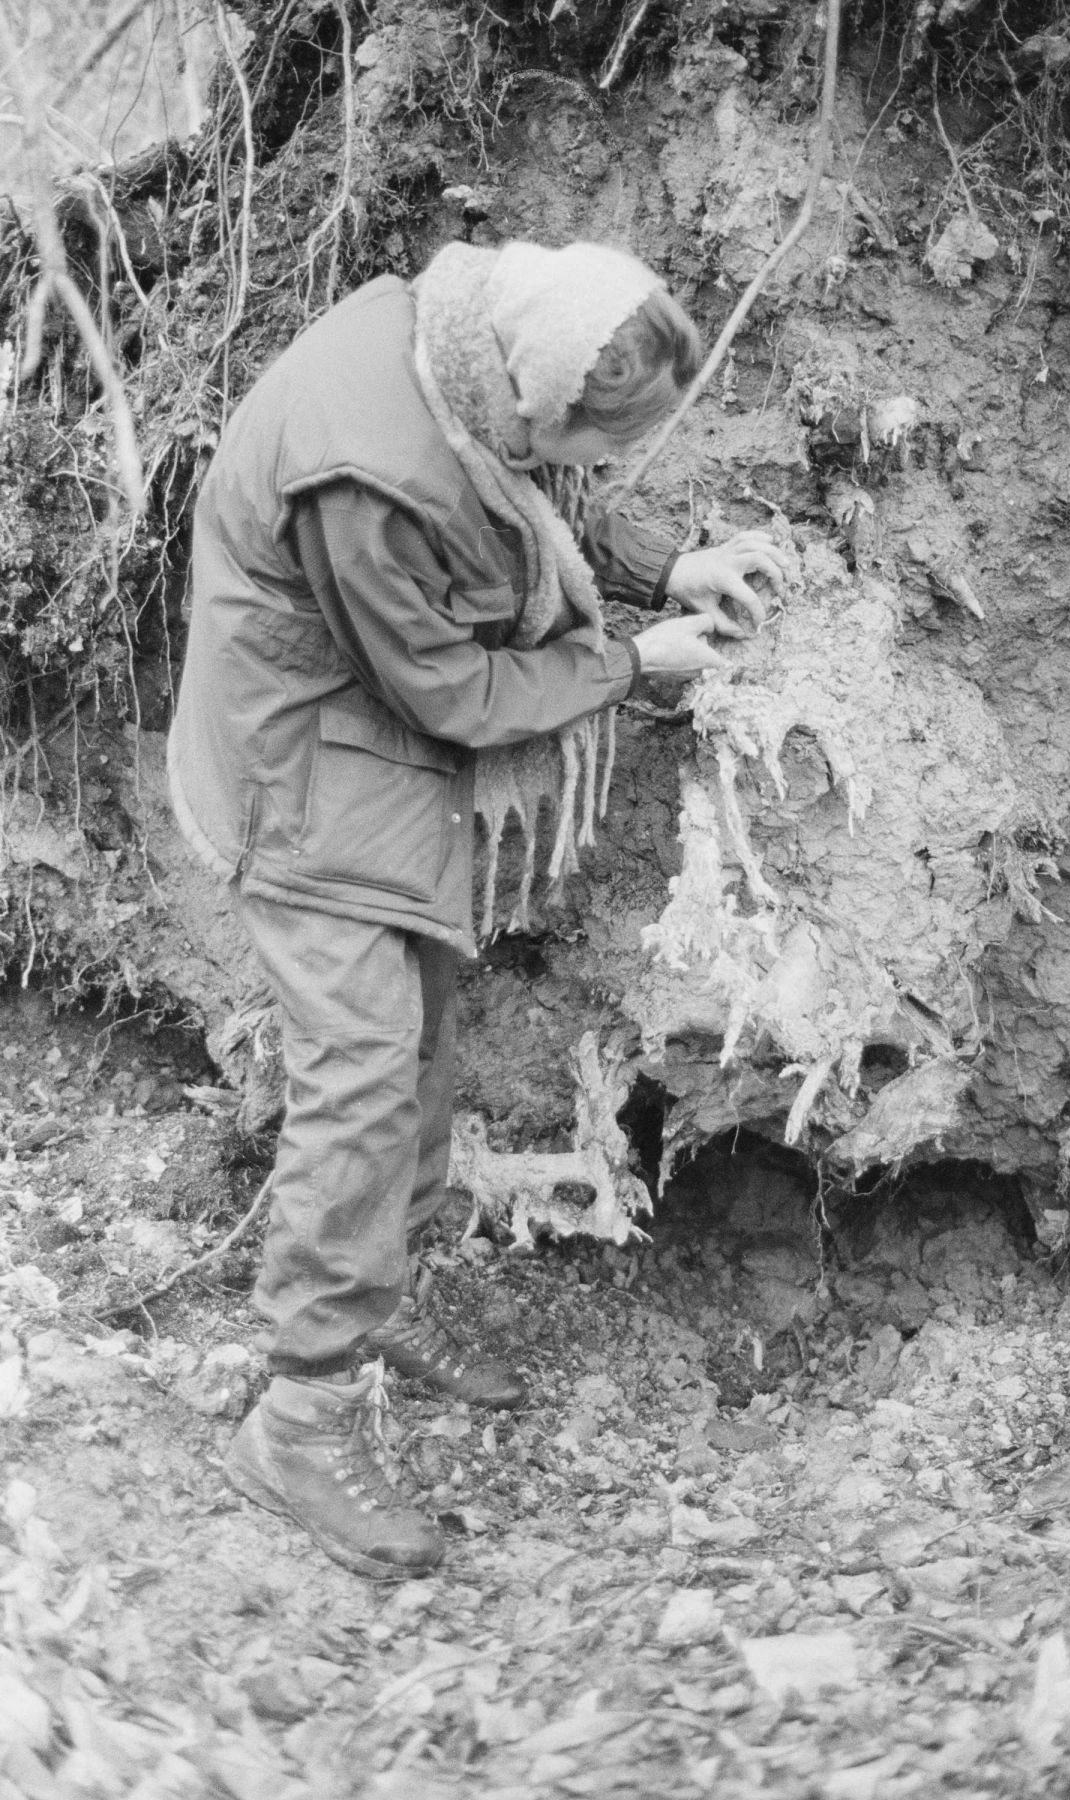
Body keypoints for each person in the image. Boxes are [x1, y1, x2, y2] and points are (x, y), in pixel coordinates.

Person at [168, 237, 786, 1579]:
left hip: (371, 745)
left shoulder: (474, 336)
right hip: (299, 758)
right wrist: (627, 661)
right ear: (535, 394)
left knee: (421, 1042)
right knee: (360, 1073)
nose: (595, 465)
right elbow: (449, 692)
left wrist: (666, 563)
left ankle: (378, 1296)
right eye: (593, 437)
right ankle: (299, 1419)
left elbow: (536, 491)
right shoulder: (370, 474)